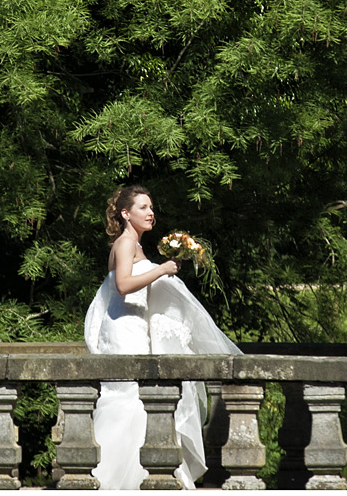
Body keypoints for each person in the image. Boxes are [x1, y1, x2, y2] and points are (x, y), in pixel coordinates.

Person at [84, 185, 242, 490]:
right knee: (127, 401)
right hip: (122, 331)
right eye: (143, 207)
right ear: (125, 213)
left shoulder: (136, 245)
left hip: (134, 328)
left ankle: (140, 477)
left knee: (139, 402)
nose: (150, 212)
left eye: (151, 207)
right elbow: (122, 286)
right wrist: (161, 271)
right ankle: (115, 481)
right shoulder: (125, 243)